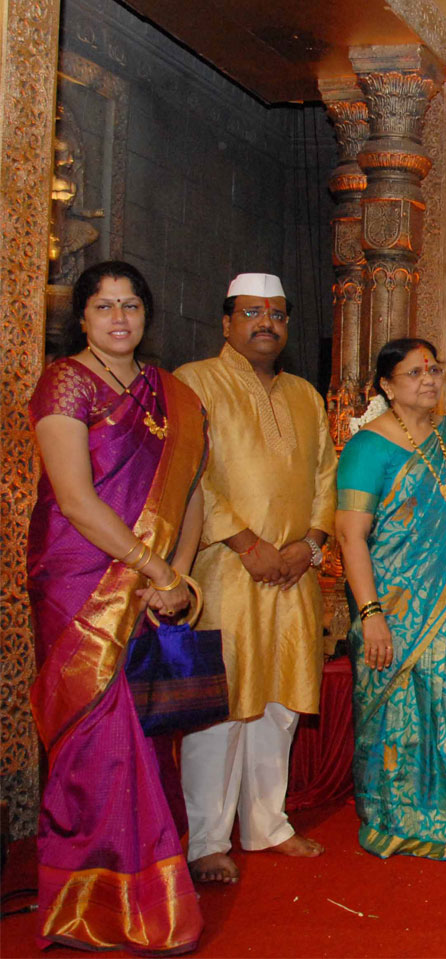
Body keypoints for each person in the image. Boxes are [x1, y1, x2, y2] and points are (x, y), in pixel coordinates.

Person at [27, 261, 207, 952]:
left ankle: (153, 892)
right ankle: (87, 902)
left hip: (154, 584)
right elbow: (74, 498)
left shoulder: (175, 398)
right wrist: (154, 566)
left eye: (131, 305)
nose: (120, 318)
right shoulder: (64, 382)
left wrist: (179, 577)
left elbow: (191, 491)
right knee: (96, 740)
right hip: (78, 581)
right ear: (83, 318)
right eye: (104, 307)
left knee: (148, 737)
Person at [175, 273, 336, 884]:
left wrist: (311, 544)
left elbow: (327, 473)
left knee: (280, 702)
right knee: (224, 706)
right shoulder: (194, 383)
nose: (265, 323)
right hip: (225, 570)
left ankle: (268, 824)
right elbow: (193, 475)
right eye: (251, 313)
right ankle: (208, 840)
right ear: (227, 322)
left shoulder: (304, 393)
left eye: (276, 313)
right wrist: (244, 542)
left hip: (293, 572)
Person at [334, 338, 446, 859]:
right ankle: (402, 817)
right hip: (388, 610)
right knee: (400, 718)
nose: (428, 380)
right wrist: (370, 615)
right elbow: (351, 536)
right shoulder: (367, 448)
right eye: (413, 373)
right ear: (387, 386)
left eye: (433, 369)